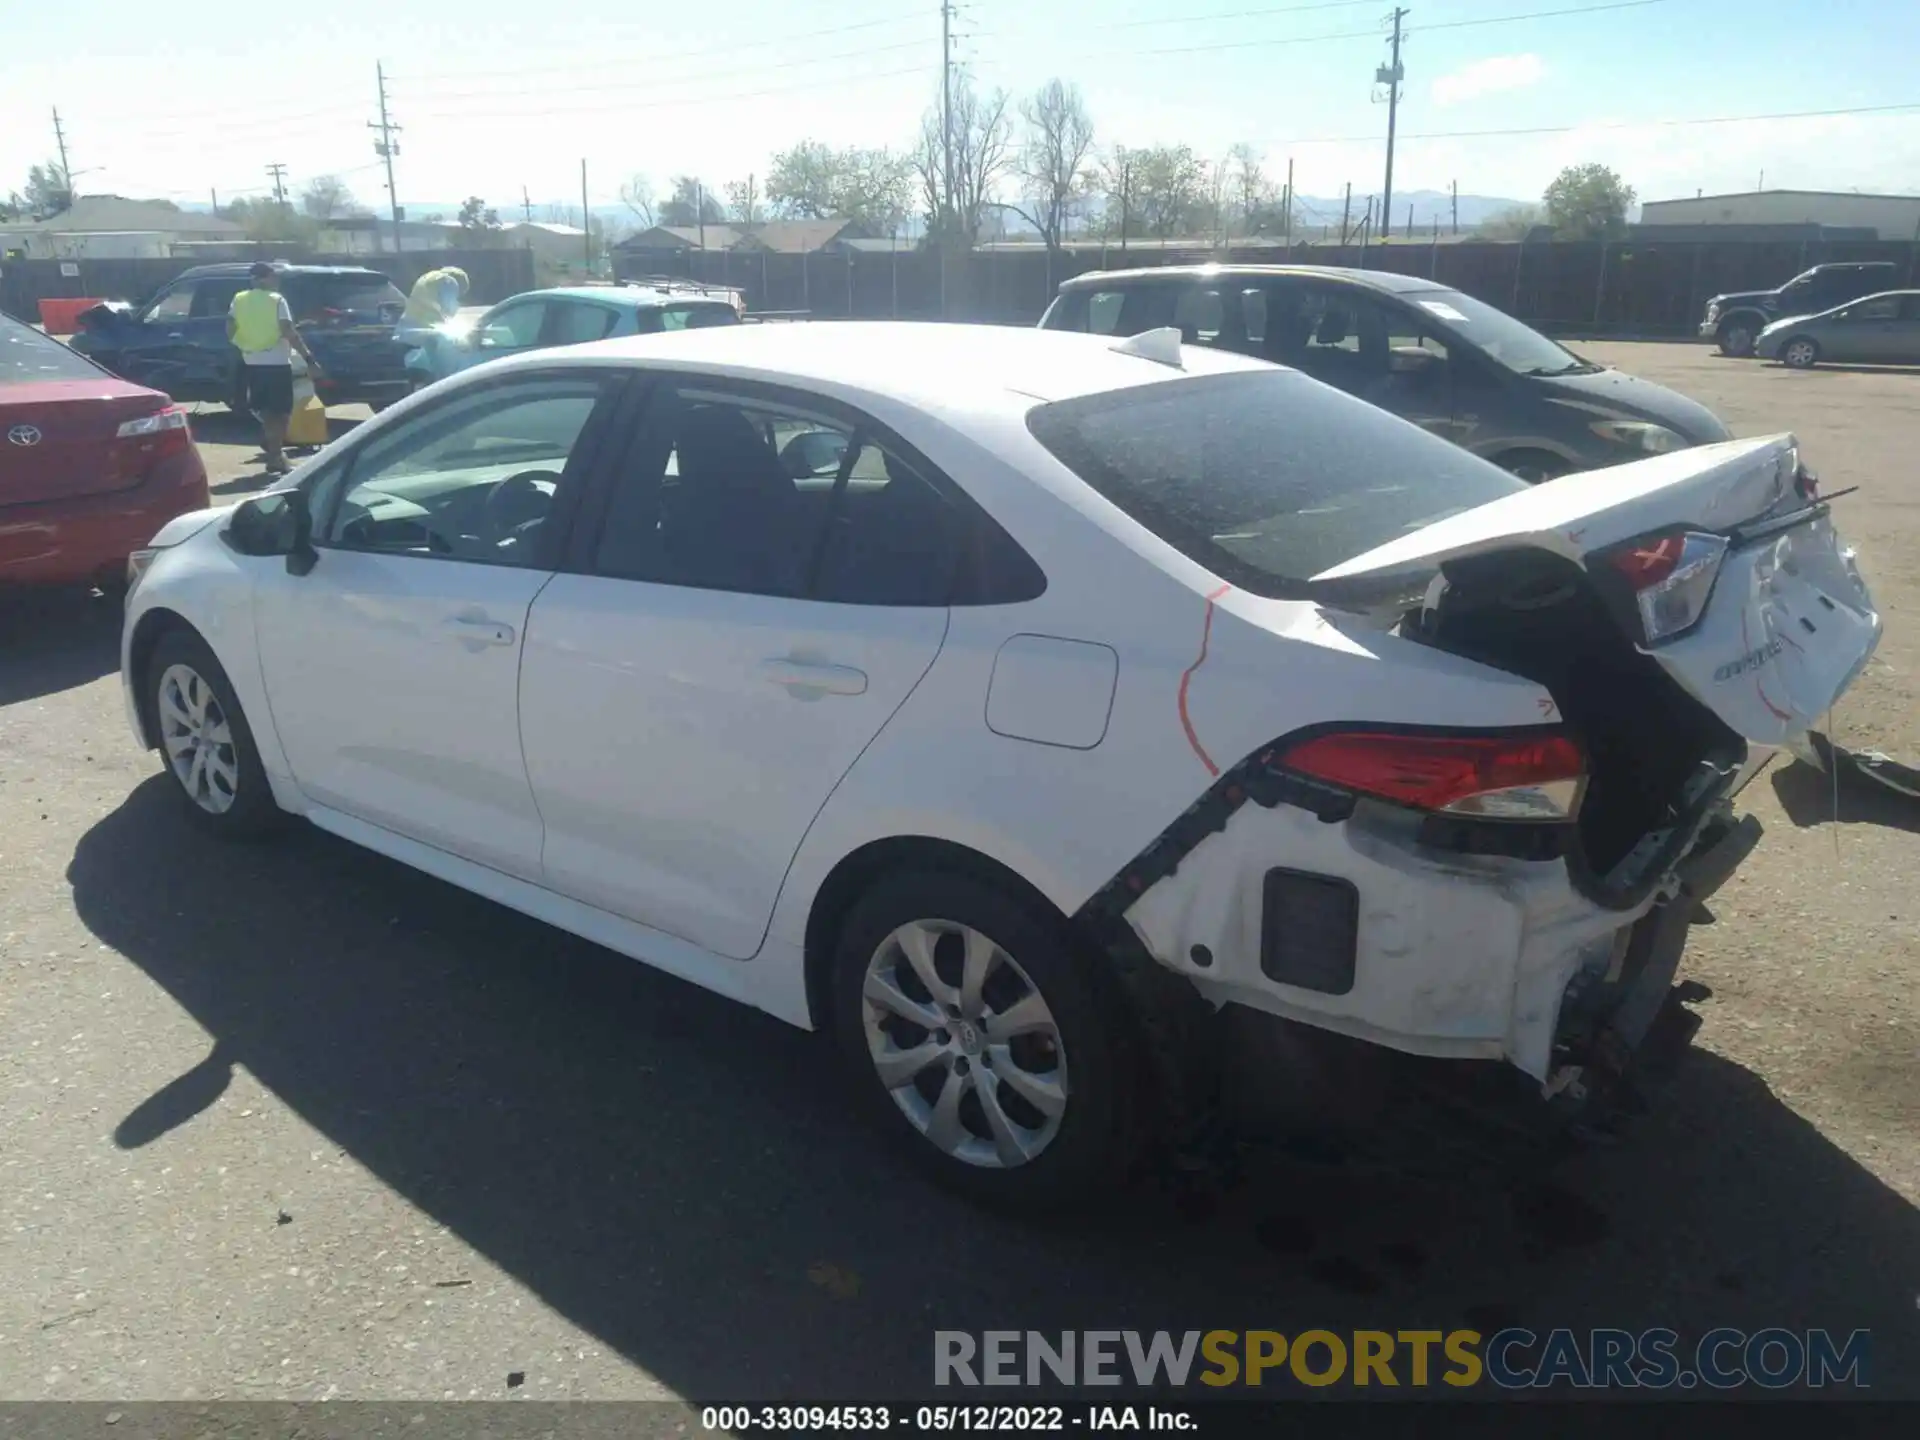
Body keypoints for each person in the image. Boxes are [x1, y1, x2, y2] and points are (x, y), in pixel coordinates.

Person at [227, 263, 322, 475]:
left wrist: (245, 344)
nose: (276, 281)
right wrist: (309, 359)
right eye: (274, 277)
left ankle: (273, 446)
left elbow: (230, 327)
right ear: (266, 278)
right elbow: (288, 330)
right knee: (281, 412)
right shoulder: (277, 300)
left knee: (265, 409)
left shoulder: (239, 299)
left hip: (251, 361)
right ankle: (275, 455)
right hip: (277, 362)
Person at [396, 265, 468, 346]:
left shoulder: (426, 278)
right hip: (425, 333)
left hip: (405, 328)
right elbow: (448, 309)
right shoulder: (449, 281)